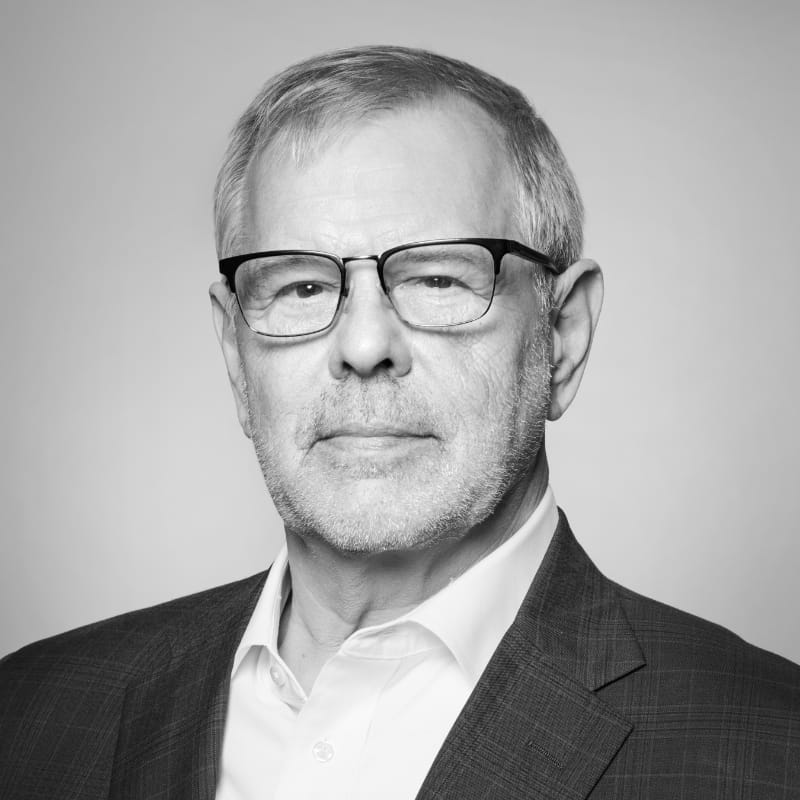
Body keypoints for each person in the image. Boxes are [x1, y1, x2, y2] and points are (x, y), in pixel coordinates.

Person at [1, 44, 798, 800]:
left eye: (439, 279)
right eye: (302, 288)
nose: (364, 346)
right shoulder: (29, 714)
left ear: (562, 336)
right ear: (236, 354)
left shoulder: (772, 754)